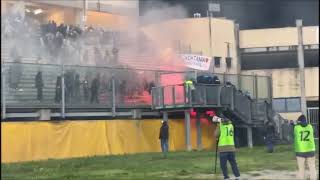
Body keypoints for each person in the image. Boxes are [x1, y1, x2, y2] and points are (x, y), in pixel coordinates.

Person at [215, 115, 240, 180]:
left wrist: (218, 124)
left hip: (223, 148)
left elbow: (216, 134)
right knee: (233, 163)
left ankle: (226, 177)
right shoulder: (231, 125)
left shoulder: (220, 125)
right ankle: (237, 176)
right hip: (231, 148)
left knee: (223, 165)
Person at [293, 115, 317, 180]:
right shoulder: (310, 126)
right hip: (310, 149)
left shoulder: (296, 128)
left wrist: (297, 123)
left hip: (300, 150)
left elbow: (295, 133)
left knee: (301, 168)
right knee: (312, 167)